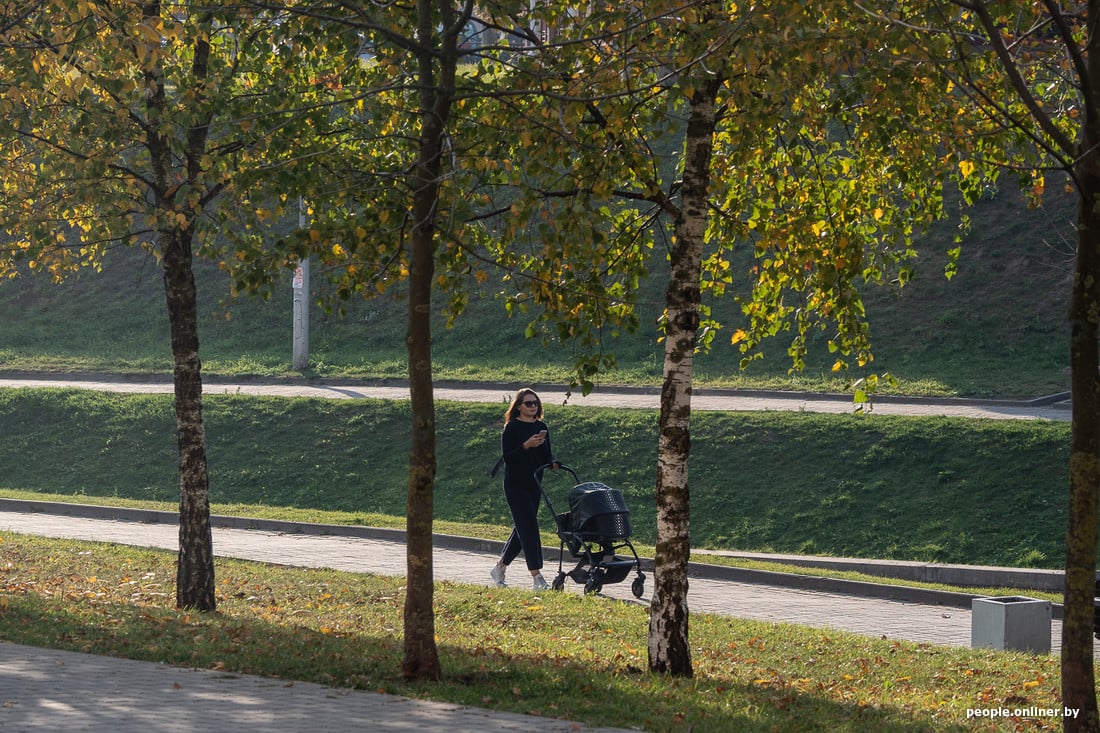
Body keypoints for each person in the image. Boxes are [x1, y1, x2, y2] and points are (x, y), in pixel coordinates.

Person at [490, 388, 558, 591]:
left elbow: (547, 454)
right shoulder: (512, 428)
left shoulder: (541, 426)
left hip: (534, 483)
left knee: (523, 528)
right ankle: (537, 577)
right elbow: (508, 457)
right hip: (515, 484)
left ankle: (500, 567)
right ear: (518, 406)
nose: (532, 406)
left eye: (535, 403)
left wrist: (552, 462)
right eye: (528, 403)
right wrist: (526, 445)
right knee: (529, 526)